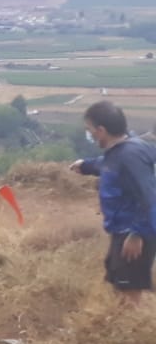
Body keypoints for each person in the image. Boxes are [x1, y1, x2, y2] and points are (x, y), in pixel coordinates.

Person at [70, 100, 156, 307]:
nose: (89, 134)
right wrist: (87, 166)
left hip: (134, 233)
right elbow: (108, 165)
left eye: (89, 130)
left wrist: (137, 234)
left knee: (129, 296)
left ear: (101, 130)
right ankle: (119, 332)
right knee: (119, 288)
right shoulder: (123, 150)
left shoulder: (129, 156)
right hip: (123, 232)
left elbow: (149, 198)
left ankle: (132, 336)